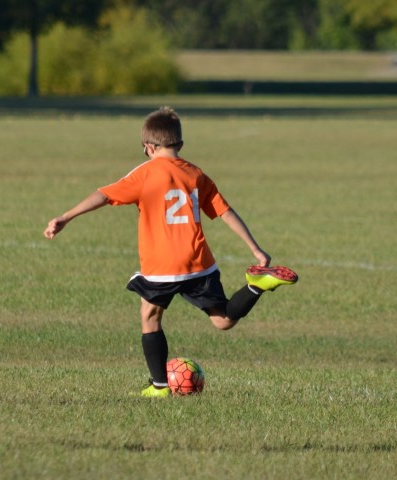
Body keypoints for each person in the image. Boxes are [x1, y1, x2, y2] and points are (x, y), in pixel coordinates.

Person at [43, 106, 297, 397]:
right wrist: (256, 249)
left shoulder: (145, 173)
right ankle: (256, 286)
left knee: (150, 316)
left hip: (162, 265)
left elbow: (103, 195)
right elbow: (225, 212)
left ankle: (160, 386)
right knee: (223, 319)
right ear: (181, 144)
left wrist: (66, 216)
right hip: (199, 262)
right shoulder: (196, 174)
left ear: (149, 147)